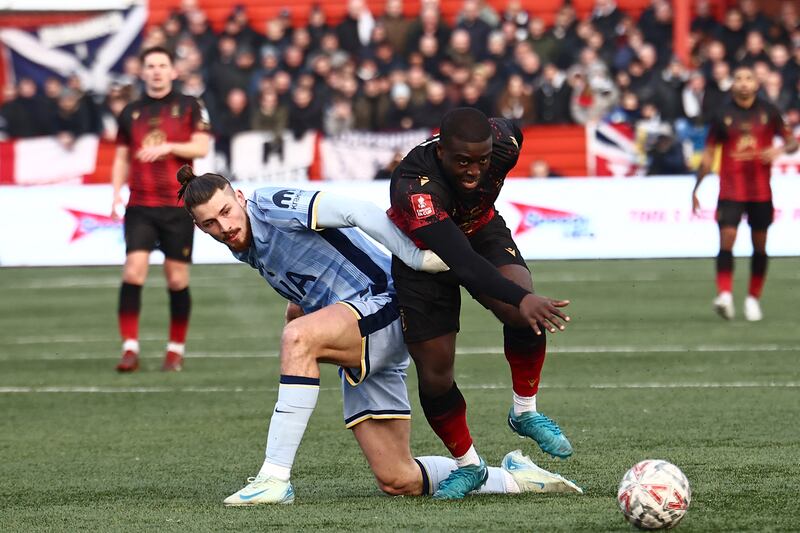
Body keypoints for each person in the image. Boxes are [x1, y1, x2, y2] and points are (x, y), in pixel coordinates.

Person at [175, 166, 583, 505]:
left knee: (297, 339)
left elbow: (356, 211)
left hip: (386, 303)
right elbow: (308, 276)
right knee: (397, 479)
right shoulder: (242, 243)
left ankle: (274, 477)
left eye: (226, 211)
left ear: (241, 196)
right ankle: (512, 477)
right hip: (356, 326)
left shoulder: (272, 205)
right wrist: (298, 311)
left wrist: (412, 256)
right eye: (209, 223)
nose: (224, 225)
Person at [387, 107, 573, 500]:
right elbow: (464, 262)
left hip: (480, 227)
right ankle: (469, 465)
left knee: (523, 316)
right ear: (441, 152)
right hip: (422, 257)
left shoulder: (506, 143)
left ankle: (525, 411)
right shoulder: (413, 186)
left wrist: (520, 299)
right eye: (463, 162)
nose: (475, 171)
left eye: (482, 161)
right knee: (435, 372)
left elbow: (512, 128)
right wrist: (523, 299)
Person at [112, 46, 211, 372]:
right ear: (143, 72)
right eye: (150, 65)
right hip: (140, 204)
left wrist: (169, 147)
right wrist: (115, 193)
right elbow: (122, 156)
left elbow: (201, 146)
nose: (156, 70)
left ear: (173, 71)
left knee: (176, 278)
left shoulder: (190, 106)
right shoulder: (130, 112)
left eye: (162, 65)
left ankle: (175, 350)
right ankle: (129, 348)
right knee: (133, 270)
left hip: (178, 205)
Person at [692, 65, 797, 321]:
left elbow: (792, 142)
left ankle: (753, 299)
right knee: (727, 238)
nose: (743, 83)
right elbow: (708, 154)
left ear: (755, 84)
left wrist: (780, 150)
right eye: (738, 78)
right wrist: (696, 187)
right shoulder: (721, 115)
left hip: (760, 191)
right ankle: (725, 295)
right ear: (733, 85)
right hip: (731, 189)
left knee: (759, 246)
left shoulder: (768, 112)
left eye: (748, 78)